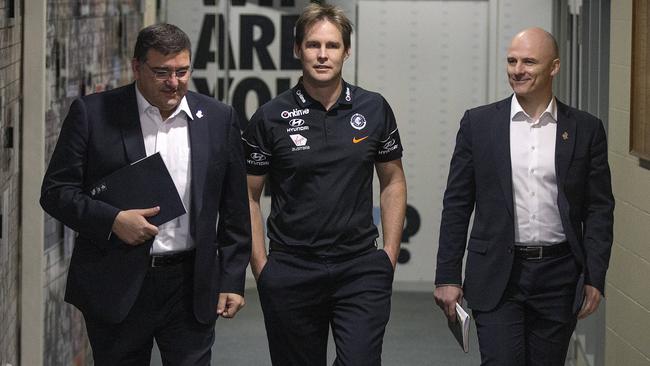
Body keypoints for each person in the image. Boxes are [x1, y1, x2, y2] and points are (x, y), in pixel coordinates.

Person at [40, 23, 251, 365]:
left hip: (190, 284)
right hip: (116, 284)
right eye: (161, 72)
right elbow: (55, 192)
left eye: (182, 71)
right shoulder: (93, 114)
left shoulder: (218, 117)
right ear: (137, 67)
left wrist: (232, 278)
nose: (174, 82)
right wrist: (113, 220)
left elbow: (234, 208)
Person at [434, 27, 614, 365]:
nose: (518, 70)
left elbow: (600, 208)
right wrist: (447, 274)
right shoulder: (479, 124)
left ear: (554, 67)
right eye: (512, 61)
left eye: (529, 62)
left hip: (559, 276)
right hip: (497, 274)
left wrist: (594, 276)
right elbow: (457, 203)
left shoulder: (584, 129)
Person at [242, 3, 407, 365]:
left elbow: (392, 180)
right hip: (290, 269)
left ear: (346, 51)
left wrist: (388, 256)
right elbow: (248, 195)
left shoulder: (374, 108)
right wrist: (262, 267)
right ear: (297, 49)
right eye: (313, 45)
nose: (322, 55)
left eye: (332, 46)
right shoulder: (270, 117)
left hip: (360, 267)